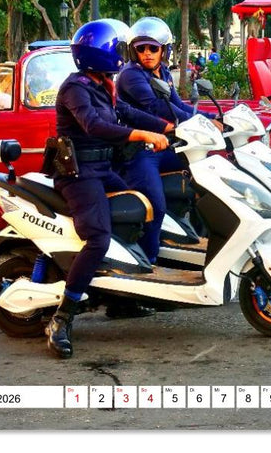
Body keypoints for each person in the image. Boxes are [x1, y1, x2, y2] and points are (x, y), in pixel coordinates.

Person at [46, 19, 172, 359]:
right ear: (99, 53)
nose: (122, 54)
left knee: (140, 210)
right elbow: (94, 125)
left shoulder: (103, 83)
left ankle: (120, 299)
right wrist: (143, 135)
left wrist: (167, 126)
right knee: (99, 238)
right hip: (79, 174)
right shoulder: (75, 88)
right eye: (116, 49)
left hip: (102, 169)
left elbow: (125, 112)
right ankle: (63, 317)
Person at [116, 16, 222, 264]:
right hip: (140, 152)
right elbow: (157, 109)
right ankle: (147, 261)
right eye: (141, 48)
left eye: (153, 48)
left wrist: (217, 118)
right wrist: (202, 122)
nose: (147, 53)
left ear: (164, 50)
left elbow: (178, 105)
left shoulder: (162, 72)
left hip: (163, 148)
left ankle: (188, 240)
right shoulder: (131, 75)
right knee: (155, 206)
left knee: (207, 180)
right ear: (133, 51)